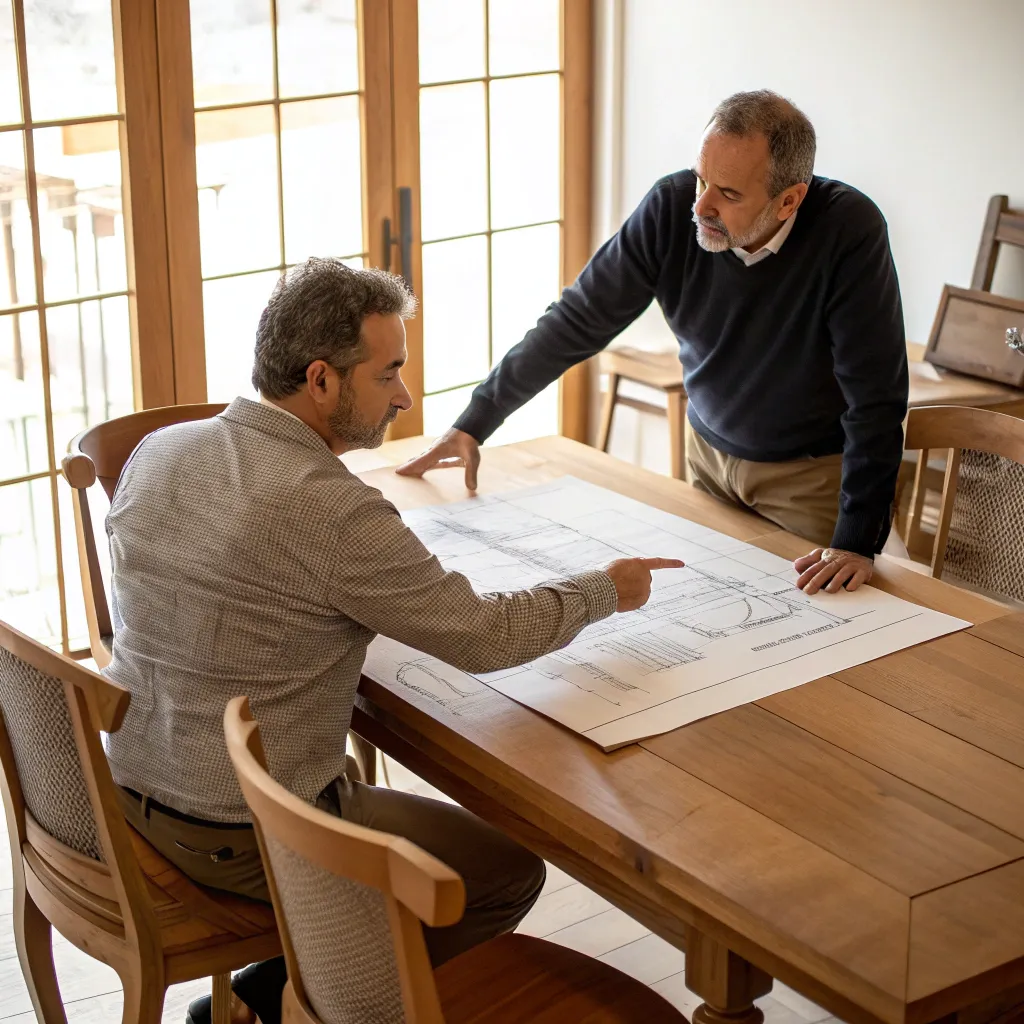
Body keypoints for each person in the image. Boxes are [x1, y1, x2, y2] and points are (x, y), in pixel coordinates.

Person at [102, 258, 683, 1024]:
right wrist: (608, 588)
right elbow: (484, 634)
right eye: (389, 373)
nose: (407, 395)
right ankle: (298, 1000)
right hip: (236, 825)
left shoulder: (164, 449)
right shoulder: (331, 509)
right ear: (321, 380)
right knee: (505, 873)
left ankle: (285, 987)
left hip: (131, 782)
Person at [398, 89, 909, 597]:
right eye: (701, 178)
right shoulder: (671, 206)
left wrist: (855, 540)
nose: (702, 205)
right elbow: (577, 319)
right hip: (707, 455)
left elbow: (875, 396)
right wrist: (475, 421)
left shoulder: (849, 231)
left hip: (810, 477)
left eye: (728, 194)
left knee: (814, 635)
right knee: (710, 608)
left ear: (789, 199)